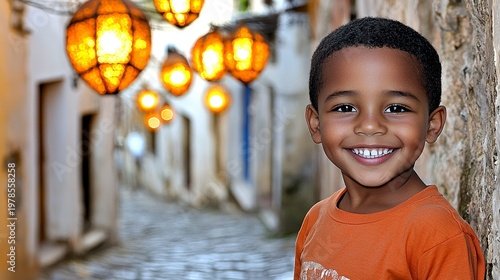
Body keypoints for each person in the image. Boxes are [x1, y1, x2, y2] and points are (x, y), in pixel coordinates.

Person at [295, 17, 485, 279]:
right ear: (316, 124)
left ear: (432, 124)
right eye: (345, 108)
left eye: (396, 108)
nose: (370, 126)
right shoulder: (315, 221)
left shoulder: (436, 234)